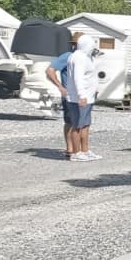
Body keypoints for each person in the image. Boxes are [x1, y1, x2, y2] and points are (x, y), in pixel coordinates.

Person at [63, 33, 101, 162]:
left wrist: (95, 89)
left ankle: (85, 150)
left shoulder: (87, 57)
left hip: (89, 96)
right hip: (78, 98)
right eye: (91, 46)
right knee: (77, 125)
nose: (93, 48)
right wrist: (82, 95)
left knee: (85, 124)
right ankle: (76, 152)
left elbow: (91, 75)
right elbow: (77, 77)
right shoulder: (78, 57)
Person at [45, 32, 82, 160]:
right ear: (74, 45)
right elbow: (50, 70)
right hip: (70, 94)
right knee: (71, 121)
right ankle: (70, 148)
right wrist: (60, 86)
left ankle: (78, 148)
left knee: (80, 121)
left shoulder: (85, 57)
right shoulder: (67, 56)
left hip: (82, 94)